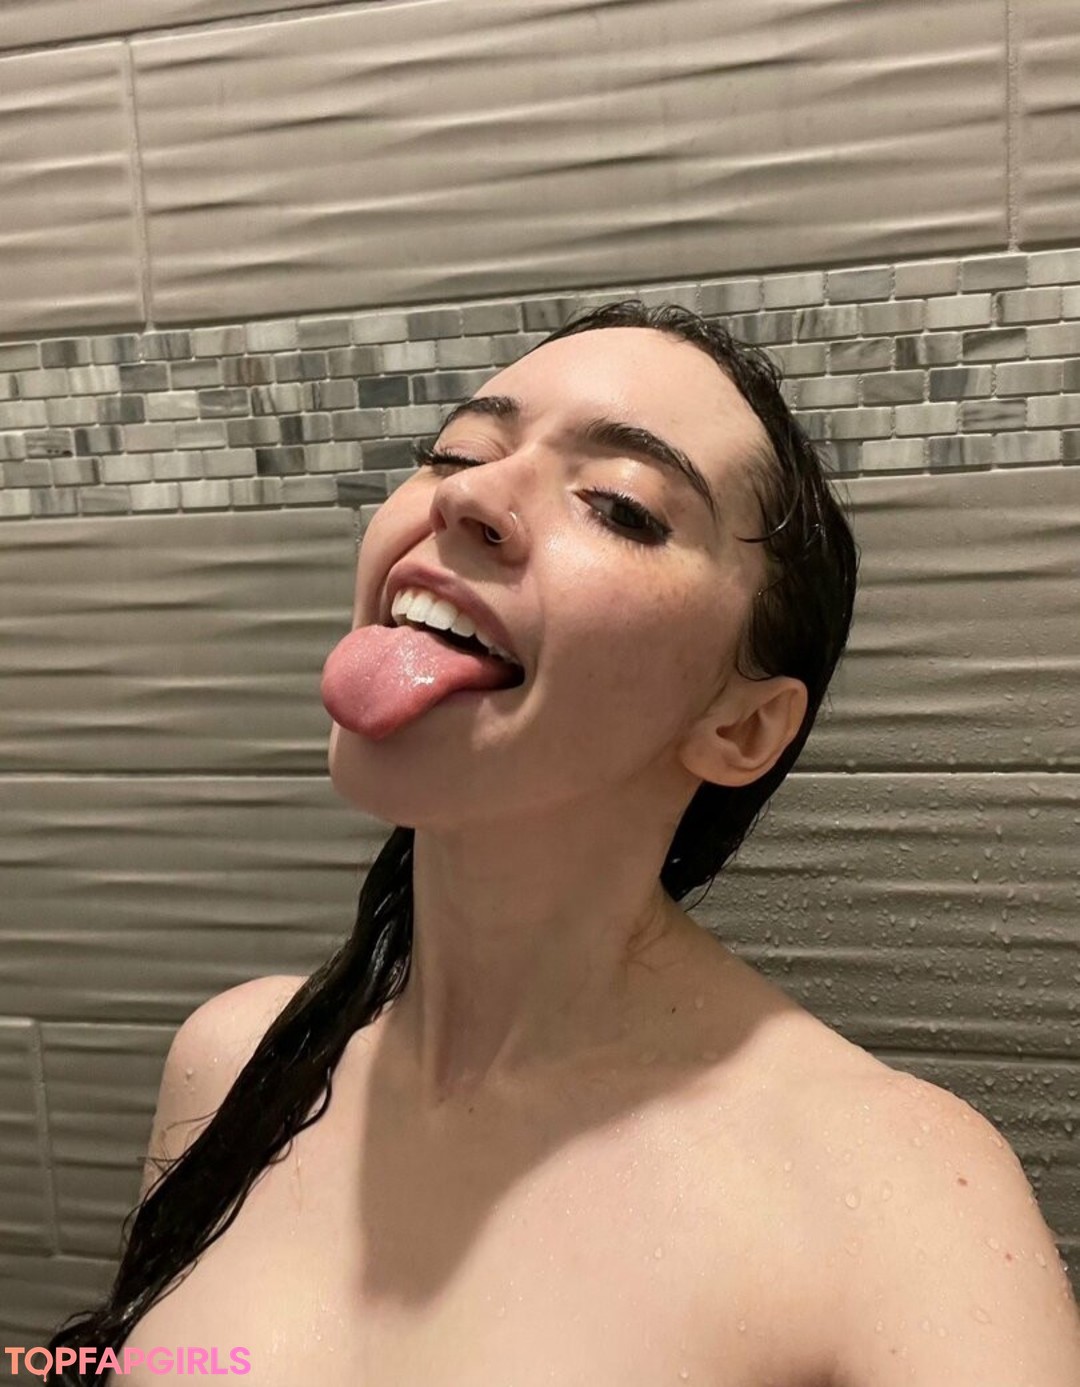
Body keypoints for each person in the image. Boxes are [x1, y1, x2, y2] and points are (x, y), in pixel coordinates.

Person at [48, 300, 1080, 1384]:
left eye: (622, 506)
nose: (466, 495)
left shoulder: (903, 1206)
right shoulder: (232, 1063)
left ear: (741, 726)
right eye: (457, 453)